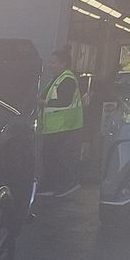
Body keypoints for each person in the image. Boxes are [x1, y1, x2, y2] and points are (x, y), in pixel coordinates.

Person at [38, 46, 84, 197]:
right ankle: (51, 186)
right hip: (55, 127)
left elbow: (64, 101)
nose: (50, 65)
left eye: (53, 62)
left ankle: (65, 185)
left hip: (64, 126)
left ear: (63, 63)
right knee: (50, 157)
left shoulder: (67, 79)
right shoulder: (57, 79)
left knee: (59, 158)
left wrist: (43, 102)